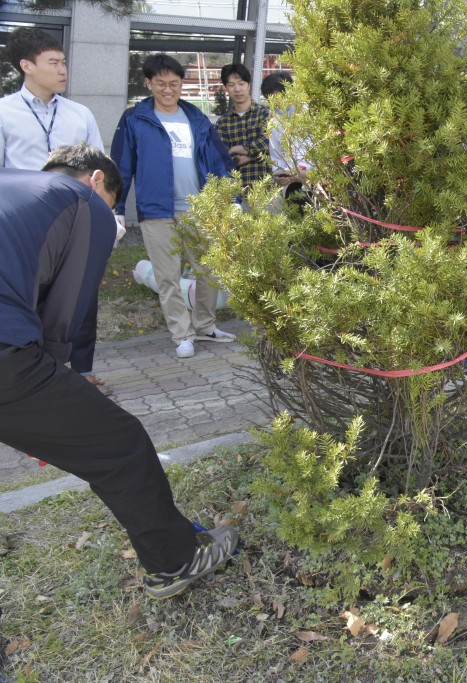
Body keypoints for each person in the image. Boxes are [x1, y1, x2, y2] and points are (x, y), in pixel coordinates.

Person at [0, 143, 238, 600]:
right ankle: (176, 562)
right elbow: (67, 312)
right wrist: (58, 390)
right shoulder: (80, 201)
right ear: (95, 180)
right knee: (120, 444)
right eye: (113, 203)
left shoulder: (14, 186)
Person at [0, 27, 107, 391]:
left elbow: (100, 168)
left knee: (81, 291)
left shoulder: (80, 114)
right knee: (29, 294)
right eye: (54, 63)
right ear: (26, 65)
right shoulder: (4, 112)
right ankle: (36, 371)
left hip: (75, 219)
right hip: (24, 223)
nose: (63, 70)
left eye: (63, 62)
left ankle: (81, 370)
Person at [110, 54, 237, 359]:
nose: (168, 89)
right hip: (157, 210)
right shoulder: (135, 119)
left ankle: (205, 325)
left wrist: (232, 200)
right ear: (148, 83)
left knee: (210, 269)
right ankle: (182, 333)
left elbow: (220, 161)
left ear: (182, 84)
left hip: (200, 207)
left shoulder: (197, 119)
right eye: (160, 83)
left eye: (174, 83)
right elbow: (122, 167)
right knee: (167, 275)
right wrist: (116, 208)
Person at [215, 62, 271, 189]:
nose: (237, 89)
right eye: (231, 85)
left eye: (241, 84)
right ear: (226, 88)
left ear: (248, 85)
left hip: (268, 190)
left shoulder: (265, 114)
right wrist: (256, 154)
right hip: (238, 192)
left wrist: (238, 149)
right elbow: (223, 157)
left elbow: (270, 143)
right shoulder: (223, 123)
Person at [261, 72, 312, 204]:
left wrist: (310, 174)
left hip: (321, 185)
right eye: (273, 100)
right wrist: (280, 177)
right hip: (294, 187)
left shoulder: (311, 112)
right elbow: (277, 158)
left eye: (282, 97)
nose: (280, 103)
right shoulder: (274, 124)